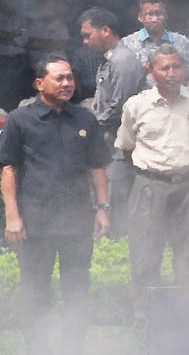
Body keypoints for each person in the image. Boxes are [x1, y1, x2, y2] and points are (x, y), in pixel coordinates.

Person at [0, 53, 111, 355]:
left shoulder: (84, 118)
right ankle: (37, 347)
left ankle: (74, 346)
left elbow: (96, 167)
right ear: (39, 83)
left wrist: (102, 207)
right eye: (59, 78)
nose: (67, 83)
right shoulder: (20, 120)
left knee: (77, 287)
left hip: (77, 220)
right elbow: (8, 168)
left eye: (70, 78)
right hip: (35, 221)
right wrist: (12, 216)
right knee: (36, 289)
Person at [115, 45, 189, 342]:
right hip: (150, 187)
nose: (171, 74)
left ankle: (185, 325)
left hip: (188, 188)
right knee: (145, 258)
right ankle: (146, 327)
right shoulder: (137, 105)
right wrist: (152, 176)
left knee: (185, 258)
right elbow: (127, 146)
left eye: (177, 67)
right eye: (164, 68)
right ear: (150, 71)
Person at [79, 6, 146, 237]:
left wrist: (89, 122)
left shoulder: (122, 61)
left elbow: (121, 107)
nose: (86, 41)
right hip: (108, 140)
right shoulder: (109, 60)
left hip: (120, 142)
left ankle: (119, 238)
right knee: (107, 187)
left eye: (88, 35)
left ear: (105, 30)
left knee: (118, 192)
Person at [121, 0, 189, 89]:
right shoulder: (128, 44)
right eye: (150, 14)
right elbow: (122, 80)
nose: (155, 19)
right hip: (142, 102)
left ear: (165, 16)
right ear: (140, 17)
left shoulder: (181, 43)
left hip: (177, 101)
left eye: (159, 14)